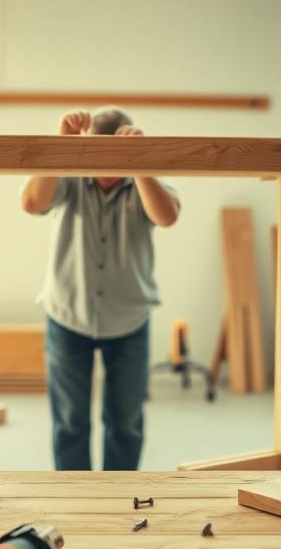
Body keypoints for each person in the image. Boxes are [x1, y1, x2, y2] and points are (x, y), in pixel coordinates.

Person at [20, 107, 180, 470]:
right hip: (67, 316)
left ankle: (119, 498)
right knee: (70, 422)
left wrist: (139, 164)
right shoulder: (70, 176)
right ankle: (75, 500)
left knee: (125, 422)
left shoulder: (143, 181)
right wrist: (60, 146)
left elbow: (166, 216)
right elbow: (32, 203)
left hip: (129, 319)